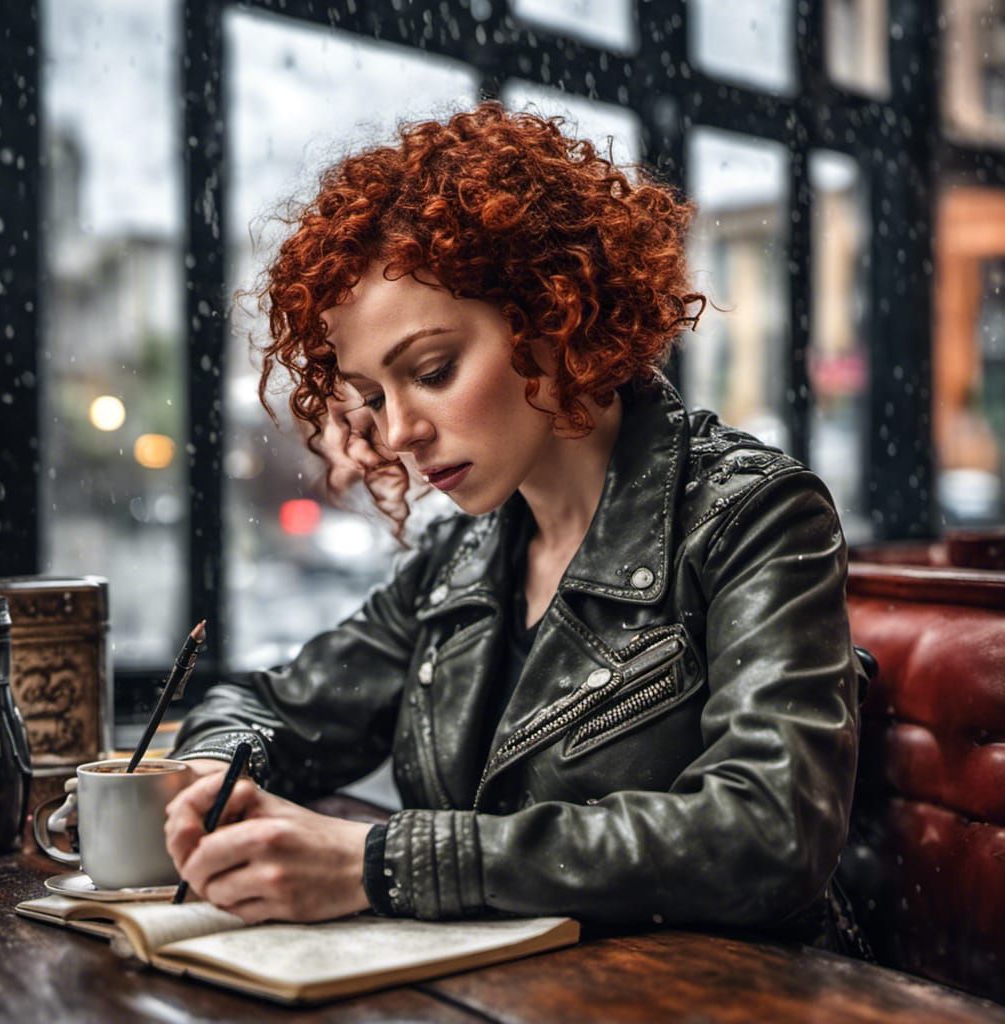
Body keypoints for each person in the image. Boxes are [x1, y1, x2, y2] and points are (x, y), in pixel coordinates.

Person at [164, 102, 864, 950]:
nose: (397, 432)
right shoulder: (458, 559)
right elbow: (265, 706)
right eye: (373, 397)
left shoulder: (752, 514)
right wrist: (211, 774)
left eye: (432, 370)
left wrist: (380, 863)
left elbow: (767, 835)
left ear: (552, 314)